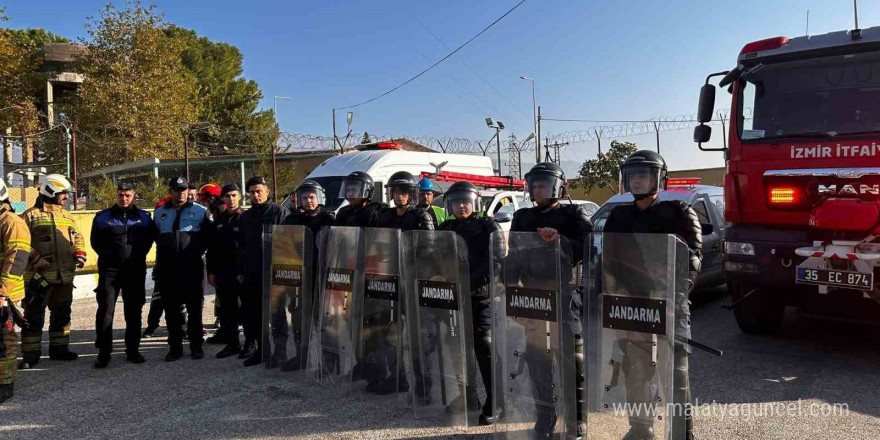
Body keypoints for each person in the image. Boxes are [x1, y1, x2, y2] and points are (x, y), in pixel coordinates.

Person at [602, 150, 702, 440]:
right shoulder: (618, 215)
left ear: (659, 179)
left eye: (643, 175)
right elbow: (608, 259)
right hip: (631, 308)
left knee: (675, 374)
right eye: (632, 175)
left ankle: (682, 433)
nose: (636, 181)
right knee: (636, 372)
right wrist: (608, 292)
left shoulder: (680, 212)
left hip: (669, 305)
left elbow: (693, 258)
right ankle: (640, 428)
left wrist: (674, 295)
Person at [511, 162, 592, 437]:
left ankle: (576, 416)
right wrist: (509, 284)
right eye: (534, 184)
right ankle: (545, 414)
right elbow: (513, 252)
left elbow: (589, 248)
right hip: (532, 296)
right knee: (537, 360)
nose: (537, 188)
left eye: (543, 183)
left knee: (570, 359)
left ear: (557, 186)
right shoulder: (522, 217)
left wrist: (560, 240)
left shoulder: (573, 214)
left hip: (563, 293)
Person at [438, 180, 504, 425]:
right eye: (456, 202)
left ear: (475, 202)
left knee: (483, 347)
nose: (461, 206)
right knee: (457, 347)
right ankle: (468, 396)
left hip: (481, 295)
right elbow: (435, 255)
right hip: (453, 296)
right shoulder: (446, 226)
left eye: (465, 201)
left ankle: (496, 400)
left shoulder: (488, 225)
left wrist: (467, 283)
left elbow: (495, 260)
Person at [19, 174, 86, 369]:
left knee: (62, 314)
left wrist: (79, 253)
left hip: (64, 276)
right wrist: (35, 257)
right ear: (51, 192)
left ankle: (60, 349)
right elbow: (21, 243)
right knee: (33, 317)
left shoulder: (67, 215)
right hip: (38, 278)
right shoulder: (30, 216)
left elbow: (77, 237)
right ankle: (30, 356)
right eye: (63, 193)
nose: (66, 197)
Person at [91, 183, 154, 368]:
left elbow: (149, 240)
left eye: (127, 195)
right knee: (105, 311)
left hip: (134, 270)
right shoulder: (102, 217)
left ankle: (133, 351)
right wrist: (110, 257)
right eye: (120, 195)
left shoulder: (144, 217)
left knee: (133, 311)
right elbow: (95, 242)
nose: (124, 198)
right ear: (116, 195)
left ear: (134, 195)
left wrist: (138, 256)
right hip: (110, 271)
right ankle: (104, 353)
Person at [276, 180, 334, 370]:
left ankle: (329, 360)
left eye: (312, 197)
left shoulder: (329, 219)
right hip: (298, 278)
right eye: (304, 197)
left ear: (319, 198)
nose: (308, 201)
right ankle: (302, 355)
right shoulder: (292, 220)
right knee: (299, 317)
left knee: (323, 320)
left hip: (321, 276)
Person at [153, 176, 212, 361]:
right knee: (171, 310)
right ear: (170, 192)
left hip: (192, 267)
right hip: (168, 269)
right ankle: (175, 348)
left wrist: (197, 254)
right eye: (177, 190)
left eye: (184, 190)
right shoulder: (160, 212)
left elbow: (209, 238)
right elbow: (156, 239)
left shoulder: (201, 211)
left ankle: (196, 346)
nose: (181, 194)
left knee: (194, 309)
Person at [237, 176, 284, 367]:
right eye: (252, 192)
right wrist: (241, 270)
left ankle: (280, 353)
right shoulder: (246, 217)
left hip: (274, 272)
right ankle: (262, 351)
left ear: (267, 191)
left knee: (277, 315)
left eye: (259, 191)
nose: (256, 195)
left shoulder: (278, 211)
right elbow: (241, 245)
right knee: (255, 315)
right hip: (252, 273)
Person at [0, 178, 31, 403]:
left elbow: (18, 258)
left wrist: (2, 292)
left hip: (4, 294)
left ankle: (5, 383)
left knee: (3, 339)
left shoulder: (10, 221)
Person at [208, 184, 244, 358]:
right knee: (227, 310)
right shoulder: (219, 220)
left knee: (245, 309)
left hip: (242, 272)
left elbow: (250, 247)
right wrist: (211, 271)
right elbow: (212, 248)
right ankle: (232, 343)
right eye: (227, 196)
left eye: (234, 195)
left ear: (240, 197)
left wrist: (244, 270)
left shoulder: (246, 218)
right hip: (223, 271)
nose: (231, 199)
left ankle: (251, 343)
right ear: (222, 198)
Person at [143, 195, 186, 338]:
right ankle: (151, 325)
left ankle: (182, 326)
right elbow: (154, 237)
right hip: (163, 264)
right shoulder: (161, 209)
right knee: (157, 298)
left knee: (181, 300)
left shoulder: (191, 211)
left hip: (182, 265)